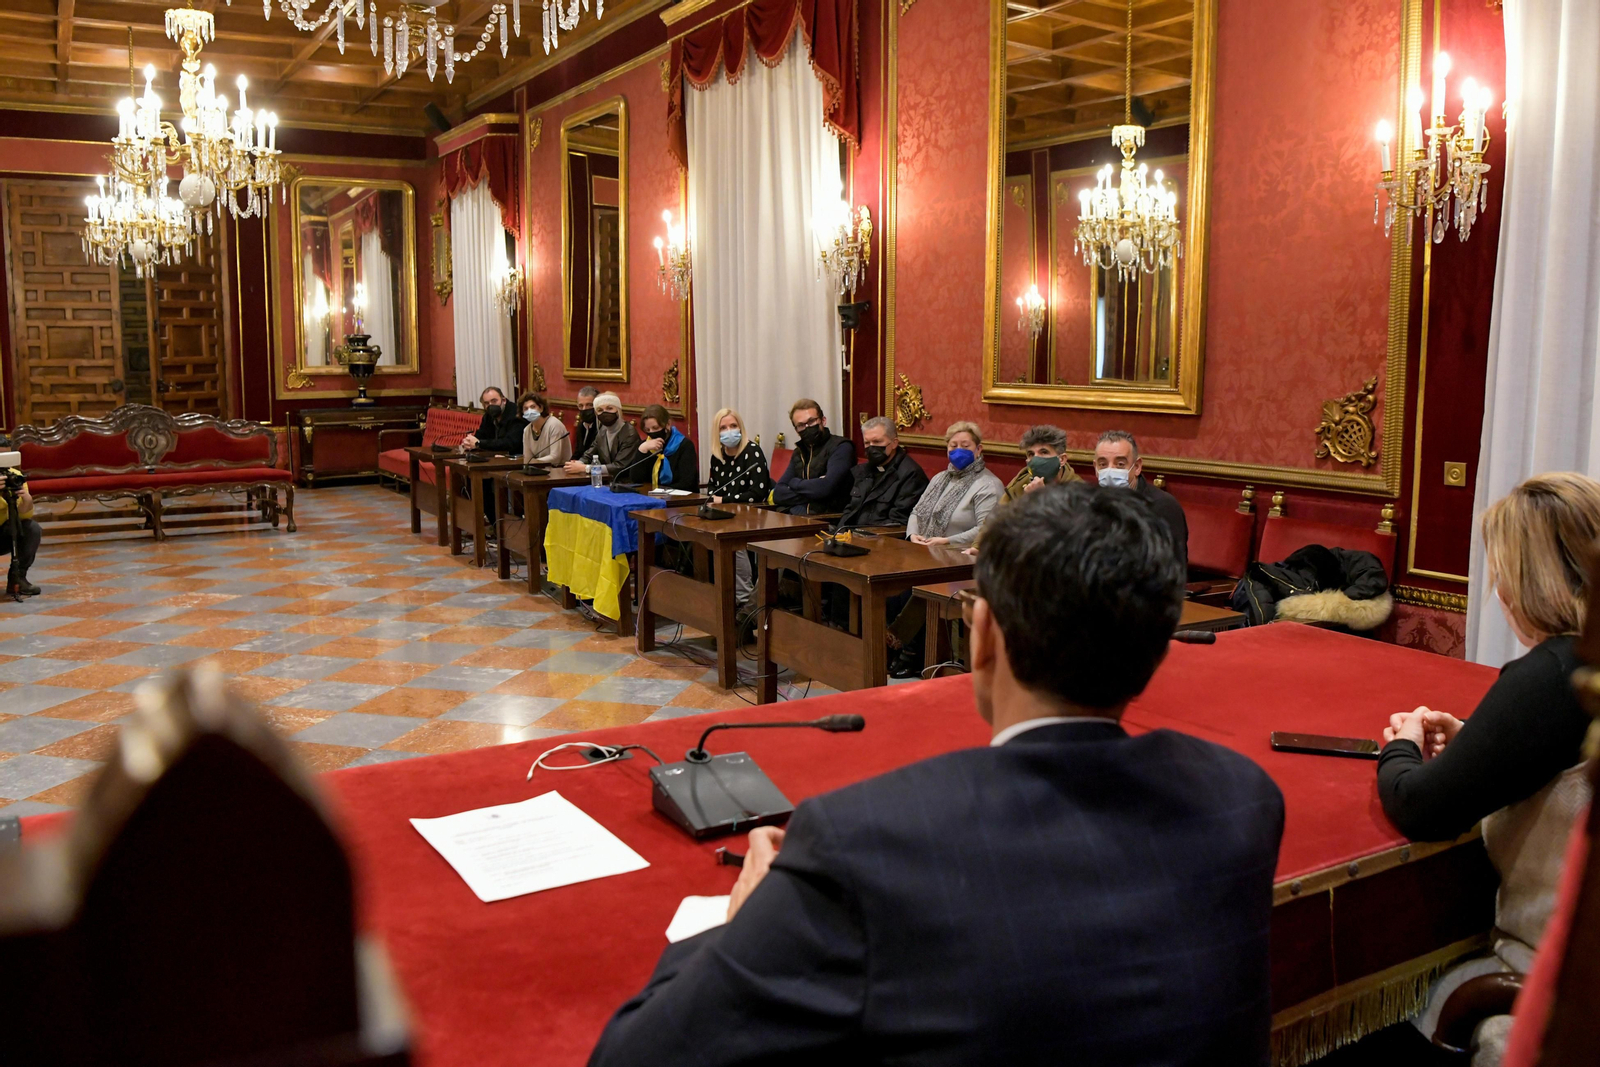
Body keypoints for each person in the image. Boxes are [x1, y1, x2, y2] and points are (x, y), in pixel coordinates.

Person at [588, 486, 1286, 1067]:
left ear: (982, 637)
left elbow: (633, 1056)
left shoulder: (865, 839)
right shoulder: (1243, 798)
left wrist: (739, 923)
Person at [1353, 473, 1600, 1066]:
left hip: (1547, 981)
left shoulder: (1552, 672)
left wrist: (1402, 745)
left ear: (1525, 580)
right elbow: (1557, 755)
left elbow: (1422, 807)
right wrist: (1477, 741)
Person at [887, 421, 1004, 677]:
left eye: (965, 446)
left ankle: (914, 654)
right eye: (953, 446)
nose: (958, 451)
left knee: (915, 591)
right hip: (925, 553)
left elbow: (986, 529)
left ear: (979, 449)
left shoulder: (988, 485)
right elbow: (918, 511)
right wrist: (913, 534)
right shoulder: (941, 478)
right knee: (892, 584)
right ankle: (899, 646)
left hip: (960, 560)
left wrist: (946, 541)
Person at [707, 408, 773, 612]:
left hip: (751, 515)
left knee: (731, 539)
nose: (729, 431)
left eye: (733, 426)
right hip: (723, 515)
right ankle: (717, 592)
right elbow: (712, 489)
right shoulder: (717, 456)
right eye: (724, 428)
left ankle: (743, 598)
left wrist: (724, 500)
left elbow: (758, 493)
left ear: (741, 428)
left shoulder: (752, 452)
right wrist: (717, 501)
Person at [1095, 430, 1187, 568]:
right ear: (1095, 468)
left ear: (1137, 467)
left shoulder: (1162, 507)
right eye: (1103, 464)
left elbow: (1172, 568)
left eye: (1120, 464)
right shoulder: (1089, 503)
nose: (1110, 471)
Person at [837, 416, 928, 529]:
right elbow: (851, 509)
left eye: (877, 441)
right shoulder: (863, 470)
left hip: (881, 540)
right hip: (852, 536)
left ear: (894, 443)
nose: (871, 447)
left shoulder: (911, 474)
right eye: (867, 443)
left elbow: (898, 521)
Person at [771, 399, 855, 515]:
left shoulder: (841, 447)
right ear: (796, 431)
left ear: (823, 420)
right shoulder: (798, 452)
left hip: (829, 519)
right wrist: (816, 492)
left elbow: (826, 488)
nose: (807, 427)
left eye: (811, 421)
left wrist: (795, 483)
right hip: (797, 516)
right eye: (801, 425)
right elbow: (779, 493)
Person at [562, 392, 642, 481]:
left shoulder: (629, 433)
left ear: (618, 410)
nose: (605, 413)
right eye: (600, 410)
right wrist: (578, 463)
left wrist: (586, 468)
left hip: (625, 483)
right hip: (606, 481)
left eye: (609, 408)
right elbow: (590, 453)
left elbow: (619, 466)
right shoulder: (603, 430)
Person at [1003, 424, 1082, 501]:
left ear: (1062, 459)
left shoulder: (1078, 493)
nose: (1036, 459)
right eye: (1031, 454)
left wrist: (1039, 498)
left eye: (1044, 452)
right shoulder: (1019, 484)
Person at [636, 405, 698, 493]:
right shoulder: (646, 446)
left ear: (668, 424)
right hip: (651, 497)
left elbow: (687, 483)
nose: (652, 433)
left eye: (655, 428)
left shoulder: (684, 446)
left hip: (680, 499)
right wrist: (642, 451)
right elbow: (636, 480)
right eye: (648, 430)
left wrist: (661, 492)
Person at [0, 477, 42, 597]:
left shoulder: (14, 476)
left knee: (31, 529)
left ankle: (17, 578)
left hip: (3, 532)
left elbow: (24, 515)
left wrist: (27, 502)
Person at [460, 386, 521, 454]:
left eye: (494, 401)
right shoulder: (488, 416)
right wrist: (469, 442)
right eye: (486, 403)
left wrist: (479, 443)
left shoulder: (516, 414)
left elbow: (510, 443)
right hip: (494, 456)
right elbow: (480, 435)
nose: (491, 405)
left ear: (504, 400)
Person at [517, 392, 571, 466]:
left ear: (541, 408)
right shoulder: (527, 430)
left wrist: (534, 462)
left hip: (559, 470)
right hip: (538, 470)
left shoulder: (554, 425)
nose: (529, 411)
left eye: (533, 407)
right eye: (526, 409)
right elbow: (527, 458)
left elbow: (555, 458)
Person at [571, 385, 600, 460]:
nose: (584, 409)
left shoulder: (601, 427)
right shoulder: (581, 425)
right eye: (581, 406)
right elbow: (578, 453)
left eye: (589, 405)